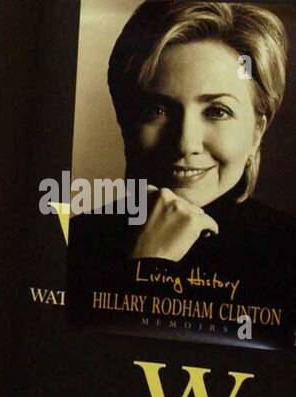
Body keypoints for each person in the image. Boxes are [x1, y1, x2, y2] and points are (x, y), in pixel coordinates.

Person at [66, 1, 294, 345]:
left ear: (257, 130)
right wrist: (149, 264)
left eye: (217, 111)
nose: (185, 143)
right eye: (157, 109)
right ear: (125, 121)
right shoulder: (70, 244)